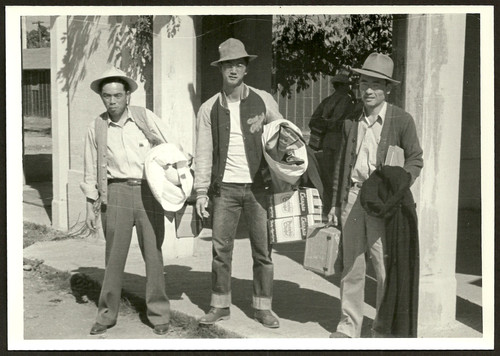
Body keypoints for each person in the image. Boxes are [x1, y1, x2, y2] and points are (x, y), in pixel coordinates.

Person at [327, 53, 423, 338]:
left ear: (388, 89)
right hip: (353, 198)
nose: (368, 90)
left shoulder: (401, 120)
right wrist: (334, 203)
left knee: (383, 268)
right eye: (364, 82)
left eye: (376, 84)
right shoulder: (351, 120)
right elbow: (341, 165)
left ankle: (382, 328)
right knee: (351, 266)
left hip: (383, 206)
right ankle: (348, 326)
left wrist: (398, 186)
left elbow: (415, 159)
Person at [194, 38, 283, 328]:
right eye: (228, 65)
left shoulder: (263, 100)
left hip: (258, 187)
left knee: (263, 250)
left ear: (246, 68)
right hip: (225, 190)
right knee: (221, 251)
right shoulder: (209, 108)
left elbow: (282, 135)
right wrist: (201, 192)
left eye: (238, 64)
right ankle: (219, 305)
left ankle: (263, 307)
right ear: (220, 69)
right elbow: (204, 152)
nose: (233, 69)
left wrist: (285, 172)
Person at [81, 67, 171, 336]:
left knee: (153, 256)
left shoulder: (145, 118)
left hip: (147, 192)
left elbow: (170, 148)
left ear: (128, 96)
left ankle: (159, 315)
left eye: (117, 95)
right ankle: (107, 315)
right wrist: (90, 204)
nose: (112, 101)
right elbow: (89, 169)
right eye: (107, 96)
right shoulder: (96, 126)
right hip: (115, 193)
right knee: (114, 258)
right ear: (102, 97)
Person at [308, 72, 355, 211]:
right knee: (339, 175)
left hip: (326, 142)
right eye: (347, 85)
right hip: (340, 142)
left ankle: (327, 206)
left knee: (328, 176)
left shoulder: (327, 101)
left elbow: (313, 121)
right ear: (342, 86)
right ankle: (337, 206)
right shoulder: (349, 101)